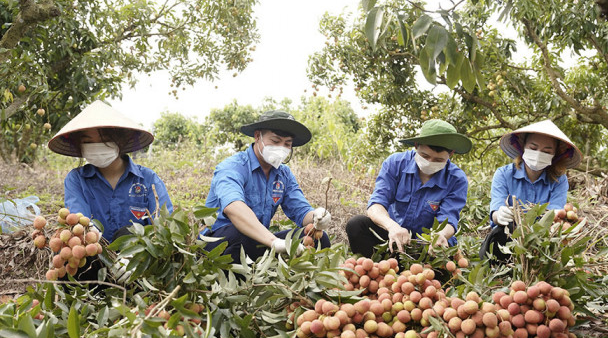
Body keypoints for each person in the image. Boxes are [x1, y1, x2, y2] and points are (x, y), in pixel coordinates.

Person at [48, 100, 173, 281]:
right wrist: (92, 234)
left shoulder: (147, 179)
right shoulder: (76, 179)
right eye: (88, 141)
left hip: (141, 267)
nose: (97, 146)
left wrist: (139, 253)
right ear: (80, 146)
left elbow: (166, 226)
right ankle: (85, 299)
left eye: (104, 140)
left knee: (129, 232)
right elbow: (79, 220)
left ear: (119, 142)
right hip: (94, 263)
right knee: (70, 246)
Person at [202, 110, 332, 263]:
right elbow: (234, 208)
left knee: (318, 238)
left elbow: (301, 211)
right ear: (258, 136)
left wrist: (317, 217)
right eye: (276, 141)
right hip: (221, 241)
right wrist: (273, 241)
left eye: (287, 144)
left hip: (258, 240)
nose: (281, 148)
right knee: (238, 236)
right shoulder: (232, 167)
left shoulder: (283, 174)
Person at [346, 119, 472, 259]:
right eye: (425, 156)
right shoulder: (395, 163)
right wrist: (392, 227)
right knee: (356, 225)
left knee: (439, 261)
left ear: (451, 154)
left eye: (438, 160)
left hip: (427, 245)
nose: (430, 163)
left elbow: (449, 219)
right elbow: (376, 205)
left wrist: (440, 235)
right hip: (392, 237)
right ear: (416, 146)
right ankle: (377, 269)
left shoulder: (456, 179)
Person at [480, 119, 583, 262]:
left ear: (555, 155)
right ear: (523, 147)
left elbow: (554, 216)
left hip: (541, 244)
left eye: (547, 151)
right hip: (506, 241)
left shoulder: (559, 180)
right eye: (533, 148)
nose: (539, 154)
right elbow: (496, 209)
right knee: (501, 232)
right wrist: (499, 214)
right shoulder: (503, 174)